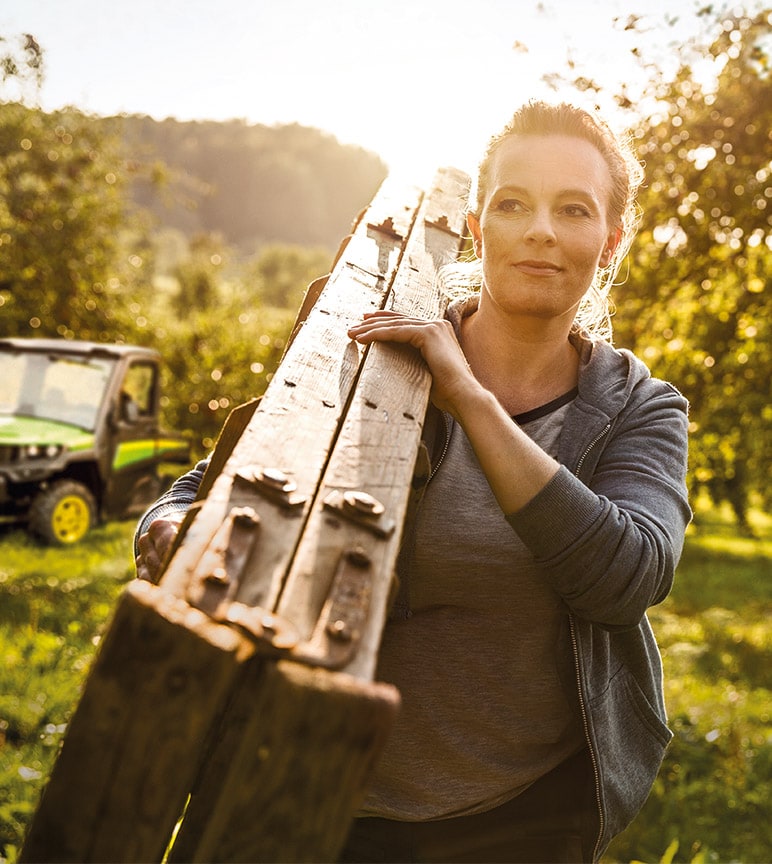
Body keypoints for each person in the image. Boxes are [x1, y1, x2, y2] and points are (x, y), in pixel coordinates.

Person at [135, 100, 691, 863]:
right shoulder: (381, 351)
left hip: (521, 814)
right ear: (475, 226)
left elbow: (625, 579)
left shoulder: (642, 408)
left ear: (609, 241)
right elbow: (225, 475)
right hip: (304, 792)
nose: (541, 230)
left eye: (574, 210)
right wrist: (166, 523)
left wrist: (467, 395)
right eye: (513, 204)